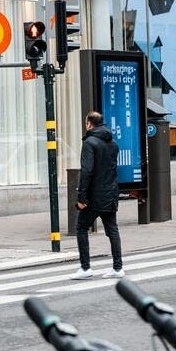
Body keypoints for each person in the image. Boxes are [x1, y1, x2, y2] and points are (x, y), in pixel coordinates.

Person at [72, 111, 124, 280]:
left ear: (89, 124)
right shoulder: (113, 144)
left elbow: (87, 171)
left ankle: (85, 267)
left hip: (94, 195)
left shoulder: (89, 143)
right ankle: (117, 268)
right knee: (112, 230)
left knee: (81, 228)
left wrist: (81, 197)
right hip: (110, 193)